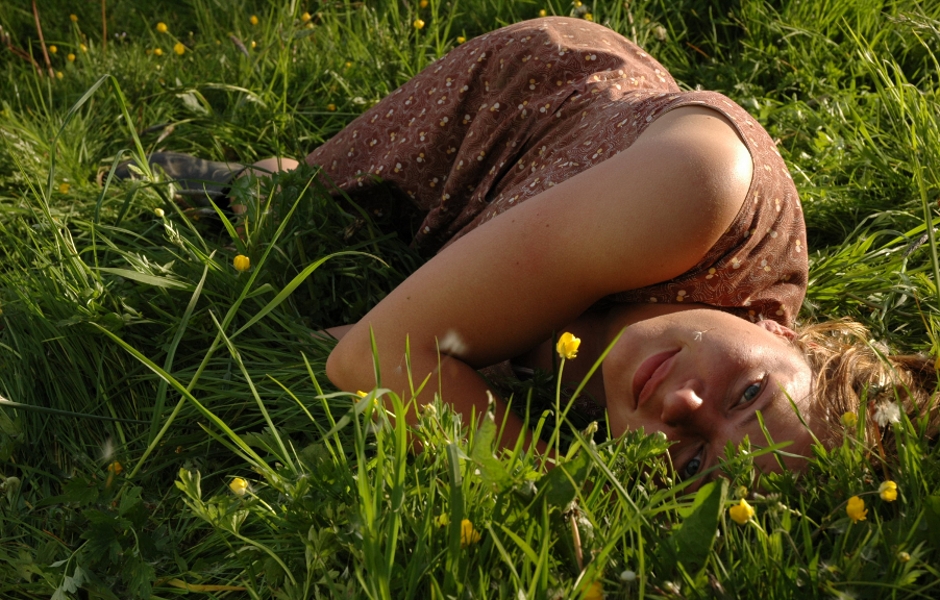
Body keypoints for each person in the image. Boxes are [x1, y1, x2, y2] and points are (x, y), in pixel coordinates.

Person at [121, 17, 935, 478]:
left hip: (522, 245)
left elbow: (359, 353)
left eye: (692, 463)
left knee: (370, 292)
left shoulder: (620, 409)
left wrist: (401, 354)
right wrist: (557, 493)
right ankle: (254, 178)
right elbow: (375, 357)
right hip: (520, 115)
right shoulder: (701, 191)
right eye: (748, 394)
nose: (685, 410)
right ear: (784, 332)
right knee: (313, 207)